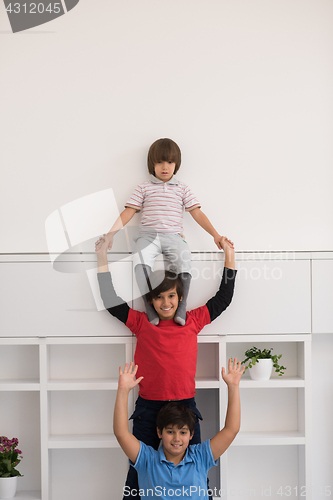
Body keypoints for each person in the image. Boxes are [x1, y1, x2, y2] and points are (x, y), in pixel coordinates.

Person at [95, 234, 237, 500]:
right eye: (158, 298)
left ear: (179, 295)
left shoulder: (193, 321)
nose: (165, 303)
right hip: (149, 408)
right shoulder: (141, 323)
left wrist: (229, 256)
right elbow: (110, 299)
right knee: (137, 473)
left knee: (195, 470)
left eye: (171, 296)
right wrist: (102, 257)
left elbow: (223, 298)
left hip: (185, 407)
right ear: (150, 301)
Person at [95, 138, 233, 326]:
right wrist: (111, 233)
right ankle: (149, 305)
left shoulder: (182, 188)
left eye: (169, 162)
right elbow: (128, 212)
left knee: (184, 259)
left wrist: (215, 235)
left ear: (176, 164)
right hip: (148, 237)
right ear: (152, 164)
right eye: (159, 162)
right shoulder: (144, 187)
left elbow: (197, 213)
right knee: (140, 261)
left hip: (174, 237)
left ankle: (181, 306)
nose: (164, 167)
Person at [114, 360, 244, 499]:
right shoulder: (147, 460)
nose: (176, 438)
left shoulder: (200, 457)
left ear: (191, 434)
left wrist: (233, 386)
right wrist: (123, 390)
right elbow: (121, 433)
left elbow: (232, 429)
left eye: (183, 432)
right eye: (170, 432)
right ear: (159, 432)